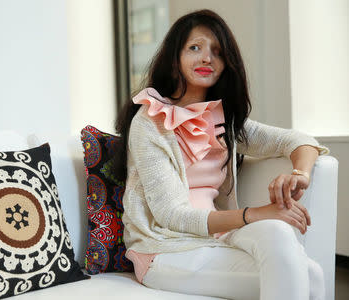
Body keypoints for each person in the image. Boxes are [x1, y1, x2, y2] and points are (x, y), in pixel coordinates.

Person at [113, 9, 330, 300]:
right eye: (195, 48)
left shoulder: (222, 120)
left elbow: (298, 141)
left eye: (217, 52)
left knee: (284, 240)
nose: (207, 58)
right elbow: (170, 215)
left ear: (226, 63)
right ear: (174, 56)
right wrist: (257, 214)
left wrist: (299, 175)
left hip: (218, 236)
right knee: (311, 278)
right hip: (164, 250)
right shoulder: (150, 121)